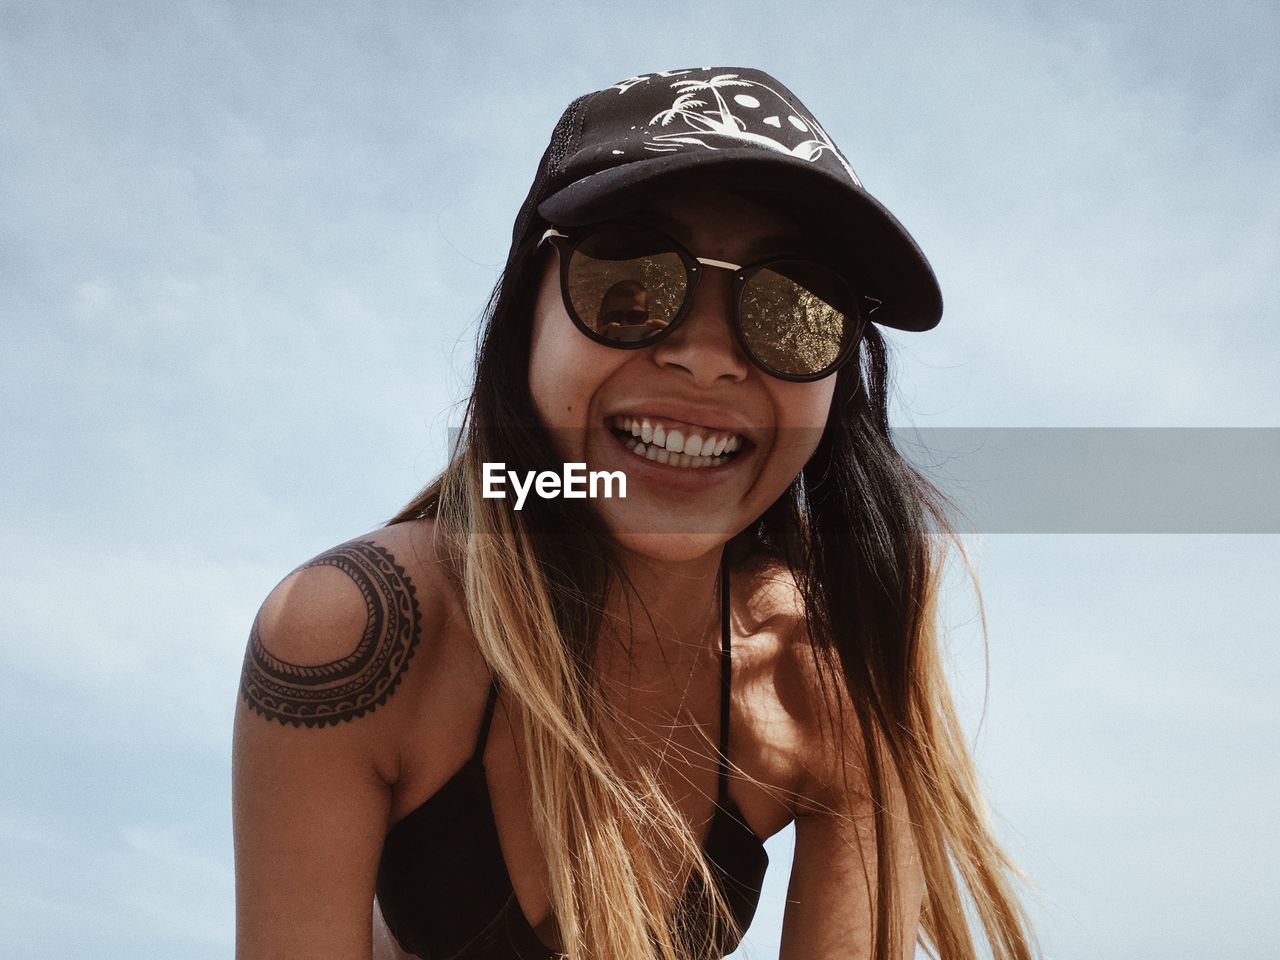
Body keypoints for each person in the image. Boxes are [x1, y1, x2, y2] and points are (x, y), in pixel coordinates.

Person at [232, 67, 1038, 960]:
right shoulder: (358, 629)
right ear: (523, 320)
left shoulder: (830, 683)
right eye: (628, 283)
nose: (705, 356)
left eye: (796, 309)